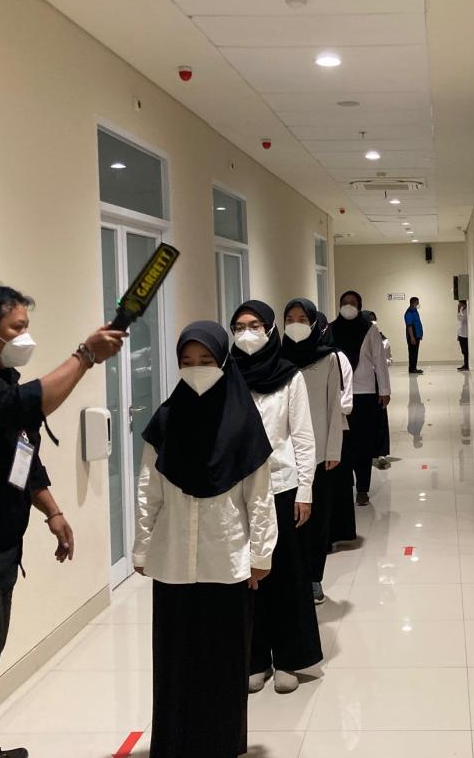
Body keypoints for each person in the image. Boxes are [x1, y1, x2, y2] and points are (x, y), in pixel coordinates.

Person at [0, 285, 125, 758]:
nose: (24, 338)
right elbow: (20, 406)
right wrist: (85, 356)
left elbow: (21, 454)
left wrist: (52, 510)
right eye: (17, 328)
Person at [133, 322, 276, 758]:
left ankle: (221, 743)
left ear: (224, 362)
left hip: (227, 560)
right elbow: (148, 490)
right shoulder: (166, 421)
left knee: (223, 662)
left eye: (206, 360)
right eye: (187, 362)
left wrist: (261, 554)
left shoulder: (243, 424)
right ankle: (174, 744)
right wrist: (142, 546)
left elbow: (259, 497)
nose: (196, 369)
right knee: (175, 661)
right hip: (172, 560)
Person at [230, 300, 321, 695]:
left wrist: (306, 490)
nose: (246, 333)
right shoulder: (227, 374)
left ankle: (289, 659)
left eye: (254, 325)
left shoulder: (289, 376)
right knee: (248, 579)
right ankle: (254, 659)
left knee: (285, 576)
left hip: (282, 487)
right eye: (239, 327)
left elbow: (302, 437)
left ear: (269, 330)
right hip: (237, 492)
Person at [281, 299, 343, 606]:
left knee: (317, 521)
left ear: (313, 322)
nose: (295, 324)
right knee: (289, 523)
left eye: (302, 319)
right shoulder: (277, 359)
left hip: (319, 454)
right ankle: (291, 580)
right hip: (284, 456)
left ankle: (314, 577)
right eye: (289, 319)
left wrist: (333, 449)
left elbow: (334, 406)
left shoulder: (328, 358)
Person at [330, 291, 390, 508]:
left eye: (353, 303)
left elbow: (380, 361)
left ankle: (363, 489)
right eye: (345, 303)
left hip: (364, 392)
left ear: (360, 306)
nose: (348, 306)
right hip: (338, 394)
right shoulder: (331, 329)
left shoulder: (369, 329)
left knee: (363, 442)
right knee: (343, 443)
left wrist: (384, 390)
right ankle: (346, 485)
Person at [361, 310, 391, 471]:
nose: (372, 323)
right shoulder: (357, 338)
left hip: (377, 383)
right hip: (360, 386)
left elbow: (386, 362)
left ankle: (381, 453)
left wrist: (385, 390)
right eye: (369, 320)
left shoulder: (383, 340)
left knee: (380, 418)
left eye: (374, 319)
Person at [404, 296, 424, 374]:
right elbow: (409, 326)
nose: (418, 304)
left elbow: (417, 323)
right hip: (412, 335)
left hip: (417, 335)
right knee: (412, 352)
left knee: (415, 352)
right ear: (413, 303)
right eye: (417, 303)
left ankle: (414, 368)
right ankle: (412, 369)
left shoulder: (415, 311)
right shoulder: (409, 312)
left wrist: (420, 334)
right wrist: (412, 337)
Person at [457, 299, 470, 371]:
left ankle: (466, 365)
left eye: (460, 303)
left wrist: (458, 310)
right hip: (461, 334)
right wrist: (458, 334)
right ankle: (465, 364)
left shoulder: (466, 311)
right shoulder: (462, 310)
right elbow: (459, 322)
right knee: (463, 351)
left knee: (465, 351)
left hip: (465, 334)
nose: (459, 305)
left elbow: (462, 320)